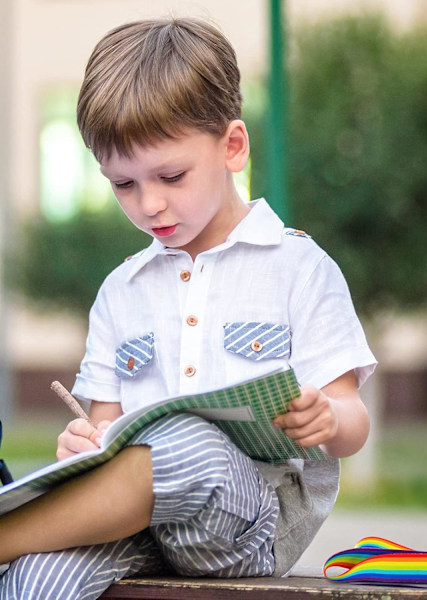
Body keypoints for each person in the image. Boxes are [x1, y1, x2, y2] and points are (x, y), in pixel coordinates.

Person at [0, 16, 376, 599]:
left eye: (170, 175)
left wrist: (327, 417)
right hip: (145, 528)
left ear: (232, 146)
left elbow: (353, 422)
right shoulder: (121, 290)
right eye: (123, 185)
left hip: (251, 526)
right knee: (36, 575)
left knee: (182, 440)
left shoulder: (298, 268)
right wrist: (85, 442)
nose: (150, 203)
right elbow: (106, 422)